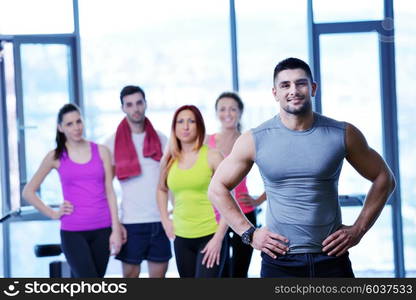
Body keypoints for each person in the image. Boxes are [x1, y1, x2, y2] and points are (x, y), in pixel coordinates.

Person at [208, 57, 396, 277]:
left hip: (331, 257)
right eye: (285, 85)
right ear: (275, 93)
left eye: (301, 83)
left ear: (313, 88)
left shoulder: (342, 133)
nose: (293, 90)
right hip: (279, 261)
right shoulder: (254, 139)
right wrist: (249, 233)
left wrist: (358, 229)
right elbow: (216, 188)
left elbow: (384, 178)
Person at [22, 103, 124, 278]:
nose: (76, 127)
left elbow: (110, 192)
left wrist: (116, 229)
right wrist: (53, 213)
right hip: (73, 232)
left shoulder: (102, 151)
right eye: (69, 124)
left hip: (103, 229)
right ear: (60, 128)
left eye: (78, 121)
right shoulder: (55, 156)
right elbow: (28, 191)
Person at [105, 85, 172, 278]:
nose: (135, 108)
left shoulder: (161, 139)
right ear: (123, 108)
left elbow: (171, 181)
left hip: (159, 220)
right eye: (130, 104)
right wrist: (115, 225)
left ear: (145, 104)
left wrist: (172, 215)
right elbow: (107, 188)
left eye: (139, 103)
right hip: (131, 223)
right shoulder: (111, 142)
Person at [157, 105, 228, 278]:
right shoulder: (168, 160)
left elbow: (230, 200)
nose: (186, 126)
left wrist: (218, 238)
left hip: (210, 235)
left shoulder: (213, 156)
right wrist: (165, 219)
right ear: (174, 127)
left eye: (191, 121)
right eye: (180, 121)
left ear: (199, 126)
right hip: (181, 238)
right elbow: (161, 189)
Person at [206, 91, 266, 277]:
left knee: (240, 273)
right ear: (216, 113)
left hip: (244, 215)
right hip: (214, 217)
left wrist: (258, 201)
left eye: (233, 109)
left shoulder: (248, 141)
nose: (228, 113)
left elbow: (275, 175)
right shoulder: (207, 142)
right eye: (222, 109)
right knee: (220, 273)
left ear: (240, 112)